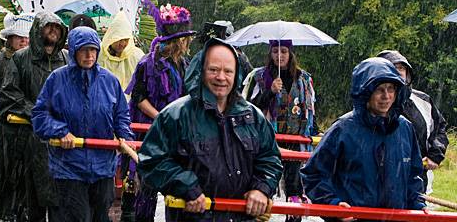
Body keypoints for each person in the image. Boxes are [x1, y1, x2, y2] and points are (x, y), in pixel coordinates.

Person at [137, 38, 283, 222]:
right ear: (202, 71)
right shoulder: (175, 115)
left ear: (236, 74)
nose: (221, 77)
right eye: (214, 70)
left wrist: (262, 188)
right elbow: (151, 161)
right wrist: (185, 186)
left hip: (243, 217)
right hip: (192, 217)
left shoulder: (253, 116)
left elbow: (270, 158)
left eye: (228, 71)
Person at [31, 26, 134, 222]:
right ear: (73, 51)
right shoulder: (57, 79)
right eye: (84, 50)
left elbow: (121, 115)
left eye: (93, 49)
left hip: (103, 166)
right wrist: (60, 131)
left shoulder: (109, 81)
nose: (89, 55)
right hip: (69, 166)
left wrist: (124, 136)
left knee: (100, 217)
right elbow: (39, 116)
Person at [301, 57, 425, 212]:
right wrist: (332, 203)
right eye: (379, 89)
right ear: (365, 93)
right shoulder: (343, 129)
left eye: (391, 89)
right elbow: (313, 174)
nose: (386, 96)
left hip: (397, 218)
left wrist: (418, 205)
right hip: (354, 218)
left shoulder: (405, 128)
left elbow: (414, 177)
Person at [0, 12, 68, 222]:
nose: (53, 30)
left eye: (57, 27)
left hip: (59, 139)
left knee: (59, 200)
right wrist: (37, 113)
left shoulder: (67, 59)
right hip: (27, 139)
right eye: (48, 26)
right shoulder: (21, 58)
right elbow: (9, 93)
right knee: (28, 199)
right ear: (38, 29)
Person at [125, 0, 194, 222]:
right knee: (147, 186)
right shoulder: (148, 64)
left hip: (176, 132)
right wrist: (161, 117)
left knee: (175, 185)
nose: (188, 43)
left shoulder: (184, 64)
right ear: (178, 41)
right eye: (186, 39)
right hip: (151, 131)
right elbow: (138, 98)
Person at [242, 40, 316, 219]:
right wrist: (270, 91)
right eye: (275, 51)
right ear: (270, 53)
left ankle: (294, 217)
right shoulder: (259, 76)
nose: (279, 56)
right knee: (264, 184)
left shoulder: (304, 78)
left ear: (290, 53)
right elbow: (249, 108)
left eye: (283, 51)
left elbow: (310, 108)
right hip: (268, 140)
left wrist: (313, 132)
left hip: (295, 140)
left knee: (294, 187)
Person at [0, 13, 33, 205]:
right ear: (9, 38)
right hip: (0, 120)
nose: (23, 41)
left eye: (26, 37)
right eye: (19, 37)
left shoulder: (30, 60)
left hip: (23, 119)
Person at [376, 50, 449, 193]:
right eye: (393, 67)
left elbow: (439, 128)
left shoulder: (423, 101)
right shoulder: (370, 102)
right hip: (376, 183)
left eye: (401, 68)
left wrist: (435, 154)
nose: (398, 72)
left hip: (417, 181)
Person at [98, 10, 144, 101]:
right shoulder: (98, 53)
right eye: (119, 39)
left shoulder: (136, 55)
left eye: (126, 40)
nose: (122, 44)